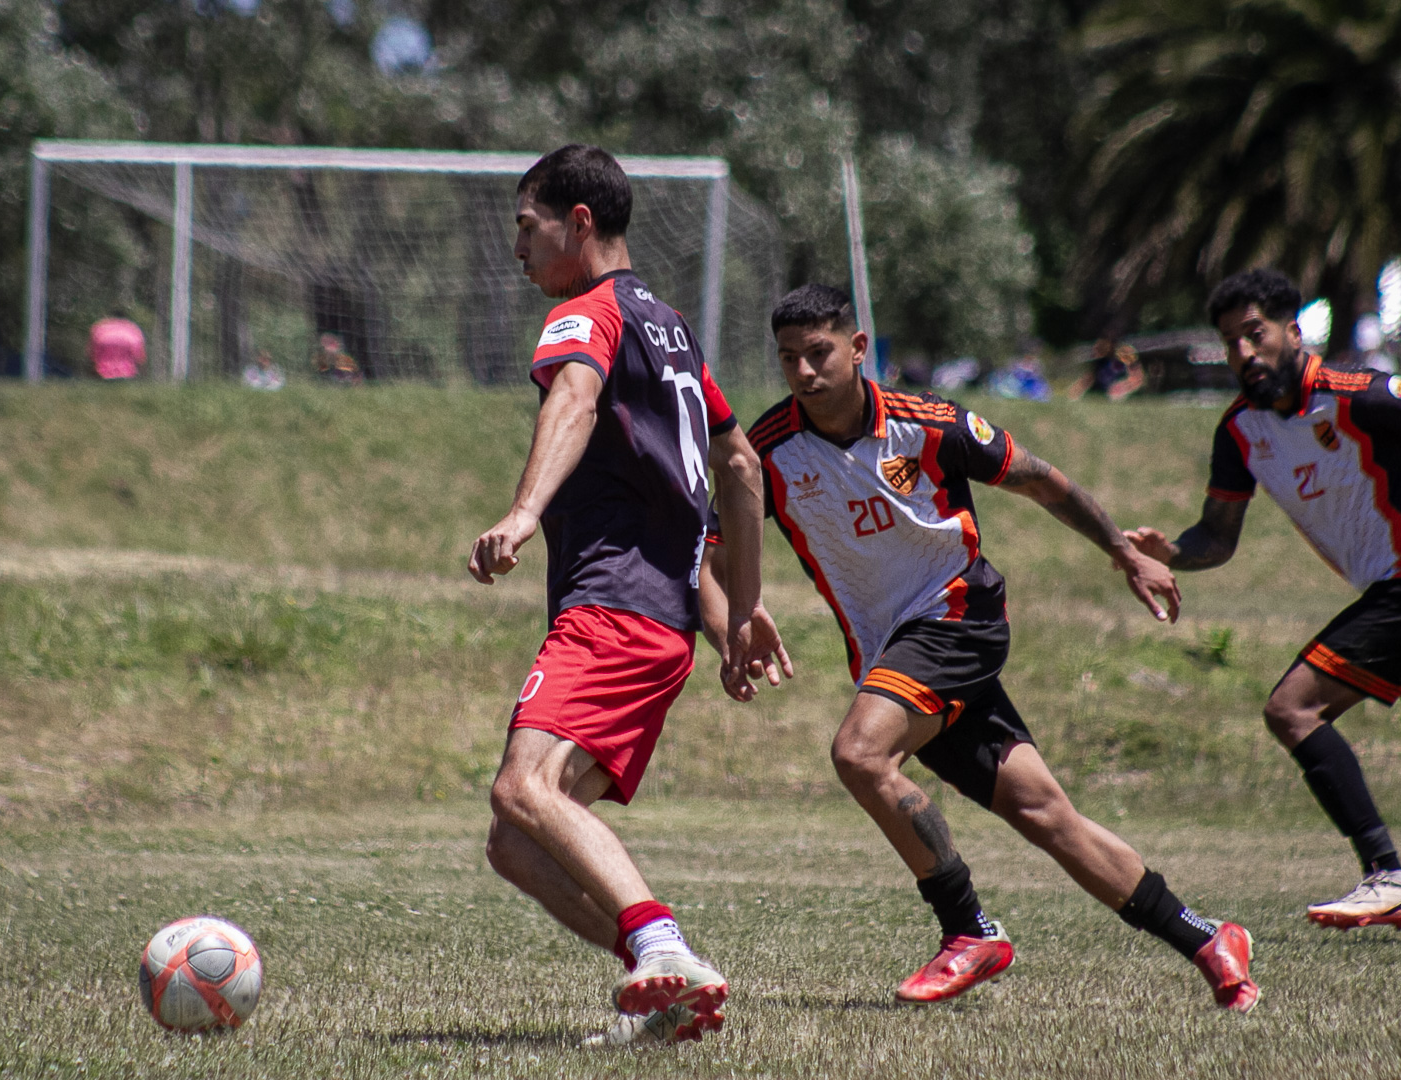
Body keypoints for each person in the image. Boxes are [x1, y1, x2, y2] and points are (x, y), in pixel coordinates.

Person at [712, 284, 1257, 1011]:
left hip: (956, 616)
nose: (805, 373)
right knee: (1045, 814)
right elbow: (711, 550)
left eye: (819, 353)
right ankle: (1207, 938)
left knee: (860, 754)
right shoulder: (767, 450)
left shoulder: (929, 424)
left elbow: (1041, 480)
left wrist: (1124, 551)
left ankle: (968, 929)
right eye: (789, 359)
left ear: (859, 347)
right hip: (892, 653)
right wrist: (733, 622)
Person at [467, 144, 787, 1048]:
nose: (516, 249)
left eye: (526, 227)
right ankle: (668, 987)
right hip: (661, 621)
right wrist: (740, 609)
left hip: (610, 607)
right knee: (516, 840)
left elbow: (572, 399)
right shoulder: (671, 327)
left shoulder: (587, 313)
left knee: (524, 788)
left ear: (578, 222)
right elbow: (740, 465)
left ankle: (663, 946)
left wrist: (524, 512)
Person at [1126, 267, 1401, 930]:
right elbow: (1217, 537)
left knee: (1293, 708)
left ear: (1294, 331)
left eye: (1255, 334)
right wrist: (1171, 554)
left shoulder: (1361, 396)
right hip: (1387, 588)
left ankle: (1388, 874)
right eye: (1231, 342)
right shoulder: (1240, 431)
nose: (1244, 352)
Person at [1069, 339, 1146, 401]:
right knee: (1088, 377)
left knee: (1123, 386)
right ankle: (1074, 395)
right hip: (1101, 387)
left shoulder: (1128, 363)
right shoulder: (1103, 361)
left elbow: (1137, 380)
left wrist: (1123, 387)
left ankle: (1115, 394)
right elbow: (1091, 376)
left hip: (1118, 388)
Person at [89, 313, 145, 380]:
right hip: (126, 371)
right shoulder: (133, 330)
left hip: (102, 371)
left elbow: (92, 352)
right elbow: (138, 355)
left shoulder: (100, 328)